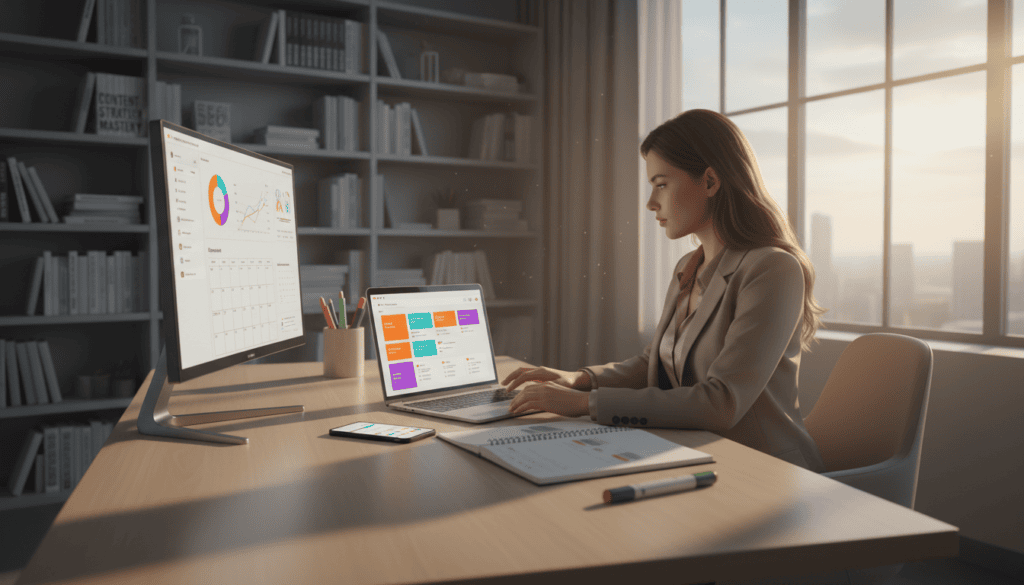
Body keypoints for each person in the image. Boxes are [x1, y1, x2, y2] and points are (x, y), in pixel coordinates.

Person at [504, 109, 826, 472]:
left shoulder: (772, 268)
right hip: (693, 453)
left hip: (763, 470)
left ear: (709, 181)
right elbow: (654, 362)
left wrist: (584, 402)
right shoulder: (689, 266)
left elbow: (721, 403)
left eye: (661, 184)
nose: (650, 203)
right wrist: (578, 379)